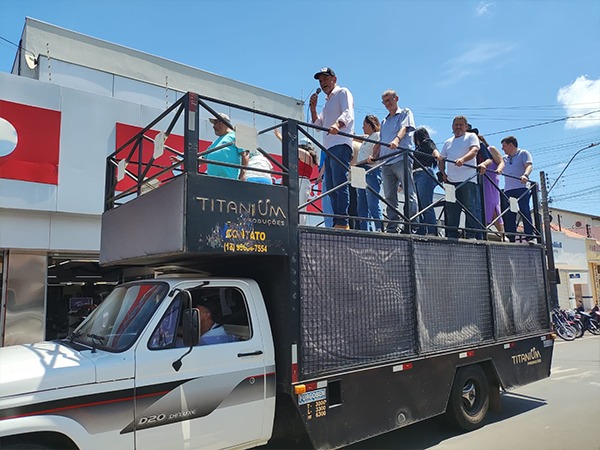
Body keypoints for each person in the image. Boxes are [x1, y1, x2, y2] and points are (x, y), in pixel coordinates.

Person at [309, 67, 355, 229]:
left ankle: (342, 221)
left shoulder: (343, 92)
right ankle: (337, 221)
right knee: (331, 185)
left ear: (334, 79)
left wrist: (337, 124)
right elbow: (317, 125)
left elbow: (348, 113)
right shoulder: (327, 103)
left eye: (325, 79)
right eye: (321, 81)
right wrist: (313, 108)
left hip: (341, 144)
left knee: (339, 183)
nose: (323, 83)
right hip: (328, 148)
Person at [371, 90, 418, 233]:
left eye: (389, 100)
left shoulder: (405, 112)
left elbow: (404, 128)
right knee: (389, 195)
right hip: (386, 162)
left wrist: (397, 140)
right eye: (385, 101)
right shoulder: (384, 121)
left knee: (408, 191)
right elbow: (381, 140)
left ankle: (412, 225)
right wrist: (374, 155)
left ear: (396, 99)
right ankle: (393, 226)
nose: (387, 103)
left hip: (401, 158)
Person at [439, 116, 483, 239]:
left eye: (461, 125)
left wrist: (463, 159)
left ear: (466, 126)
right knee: (451, 209)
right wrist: (442, 173)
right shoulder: (448, 141)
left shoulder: (471, 137)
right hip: (451, 181)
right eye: (456, 125)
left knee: (470, 207)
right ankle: (452, 234)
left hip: (467, 180)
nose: (458, 127)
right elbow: (442, 158)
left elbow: (474, 150)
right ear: (452, 126)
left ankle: (471, 235)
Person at [274, 130, 319, 225]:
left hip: (301, 181)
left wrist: (279, 137)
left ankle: (299, 227)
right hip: (302, 182)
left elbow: (292, 148)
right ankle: (298, 226)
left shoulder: (306, 154)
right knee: (300, 207)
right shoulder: (309, 157)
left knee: (299, 207)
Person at [471, 129, 506, 239]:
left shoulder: (490, 149)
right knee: (482, 206)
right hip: (480, 180)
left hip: (490, 180)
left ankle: (502, 234)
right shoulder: (475, 153)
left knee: (493, 205)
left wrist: (499, 169)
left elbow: (501, 161)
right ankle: (482, 232)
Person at [500, 135, 534, 242]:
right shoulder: (504, 158)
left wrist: (525, 175)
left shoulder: (523, 153)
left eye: (504, 146)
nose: (502, 149)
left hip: (521, 187)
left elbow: (529, 165)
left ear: (511, 145)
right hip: (509, 189)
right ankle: (511, 236)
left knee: (524, 210)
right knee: (509, 213)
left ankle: (529, 234)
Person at [353, 115, 383, 231]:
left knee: (372, 202)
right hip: (360, 170)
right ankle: (365, 229)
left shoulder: (377, 135)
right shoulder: (367, 137)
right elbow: (356, 137)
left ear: (371, 124)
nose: (362, 127)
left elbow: (377, 152)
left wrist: (365, 161)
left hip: (370, 168)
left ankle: (379, 229)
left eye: (364, 124)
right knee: (361, 204)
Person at [413, 127, 441, 235]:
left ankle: (431, 231)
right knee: (418, 205)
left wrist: (437, 155)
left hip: (424, 173)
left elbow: (432, 148)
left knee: (426, 204)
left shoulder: (426, 142)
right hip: (416, 174)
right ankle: (422, 229)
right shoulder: (417, 148)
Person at [204, 112, 249, 180]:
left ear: (222, 122)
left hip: (229, 180)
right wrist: (186, 158)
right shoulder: (215, 142)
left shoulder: (236, 135)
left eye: (215, 123)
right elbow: (203, 158)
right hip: (212, 181)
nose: (213, 126)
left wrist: (243, 174)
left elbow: (245, 154)